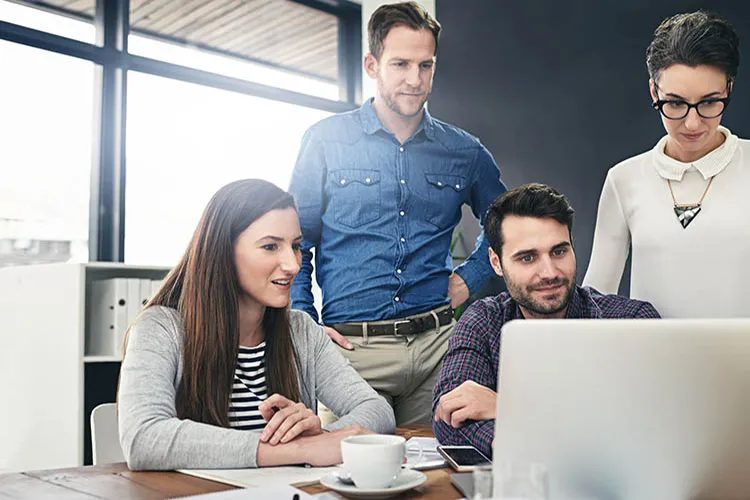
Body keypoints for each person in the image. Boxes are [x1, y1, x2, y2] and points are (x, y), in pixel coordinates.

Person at [288, 1, 506, 426]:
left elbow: (509, 226)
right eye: (401, 64)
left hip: (437, 349)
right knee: (351, 476)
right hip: (351, 354)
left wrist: (468, 279)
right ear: (372, 65)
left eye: (426, 65)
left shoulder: (465, 151)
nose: (415, 79)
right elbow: (296, 241)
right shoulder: (325, 141)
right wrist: (305, 323)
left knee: (437, 475)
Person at [117, 179, 395, 471]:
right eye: (270, 246)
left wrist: (322, 439)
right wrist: (302, 449)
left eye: (296, 246)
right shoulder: (160, 329)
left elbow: (377, 410)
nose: (293, 264)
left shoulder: (300, 331)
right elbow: (144, 438)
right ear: (222, 250)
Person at [432, 184, 660, 457]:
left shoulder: (632, 322)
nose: (549, 272)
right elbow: (450, 416)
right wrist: (565, 435)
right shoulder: (482, 322)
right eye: (527, 258)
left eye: (559, 252)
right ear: (496, 262)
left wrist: (510, 410)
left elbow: (648, 426)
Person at [584, 11, 749, 318]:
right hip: (651, 362)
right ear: (654, 92)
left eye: (709, 102)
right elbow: (595, 299)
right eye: (675, 103)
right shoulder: (624, 179)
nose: (692, 122)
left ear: (728, 89)